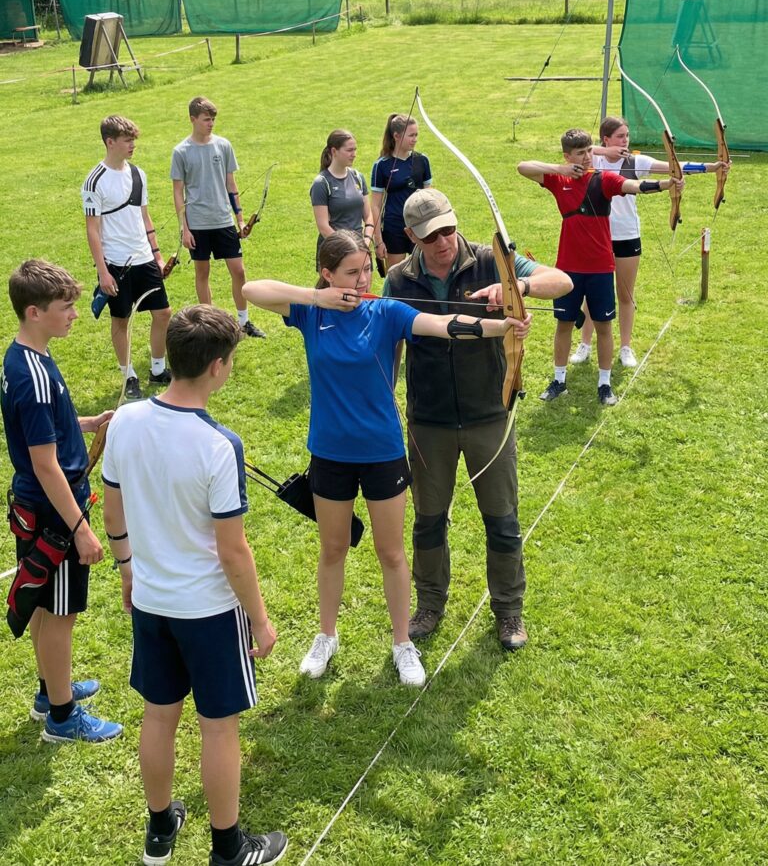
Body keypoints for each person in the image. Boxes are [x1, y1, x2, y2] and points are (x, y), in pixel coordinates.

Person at [243, 230, 527, 683]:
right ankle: (326, 636)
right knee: (333, 548)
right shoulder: (310, 314)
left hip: (382, 452)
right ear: (327, 273)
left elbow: (446, 325)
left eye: (363, 272)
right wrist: (319, 298)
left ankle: (402, 642)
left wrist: (500, 326)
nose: (359, 283)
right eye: (349, 274)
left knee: (391, 552)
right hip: (331, 453)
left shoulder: (386, 311)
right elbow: (250, 290)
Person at [102, 305, 287, 866]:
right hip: (208, 609)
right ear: (217, 367)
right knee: (218, 727)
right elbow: (232, 549)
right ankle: (229, 848)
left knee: (158, 716)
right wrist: (258, 617)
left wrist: (127, 567)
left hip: (152, 601)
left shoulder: (125, 421)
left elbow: (113, 509)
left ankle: (160, 831)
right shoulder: (218, 444)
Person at [384, 189, 573, 651]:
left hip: (491, 411)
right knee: (429, 521)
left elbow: (562, 280)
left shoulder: (493, 260)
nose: (445, 241)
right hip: (429, 419)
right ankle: (430, 605)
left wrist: (517, 288)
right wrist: (384, 402)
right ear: (411, 236)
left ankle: (509, 611)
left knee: (502, 519)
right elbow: (389, 344)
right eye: (431, 236)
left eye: (448, 228)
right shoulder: (398, 279)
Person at [1, 260, 122, 742]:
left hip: (39, 505)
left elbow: (46, 428)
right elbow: (46, 463)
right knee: (59, 613)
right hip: (55, 512)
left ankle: (48, 689)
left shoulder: (26, 355)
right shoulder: (32, 376)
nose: (75, 314)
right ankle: (61, 715)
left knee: (43, 604)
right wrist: (80, 528)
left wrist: (86, 423)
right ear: (34, 312)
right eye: (65, 307)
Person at [518, 127, 685, 406]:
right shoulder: (559, 180)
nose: (586, 158)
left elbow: (633, 186)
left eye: (588, 152)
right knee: (564, 324)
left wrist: (666, 184)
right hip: (568, 269)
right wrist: (561, 168)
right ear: (568, 156)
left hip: (600, 267)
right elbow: (522, 166)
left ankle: (605, 383)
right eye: (580, 154)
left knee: (604, 326)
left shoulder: (603, 179)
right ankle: (559, 379)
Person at [572, 115, 731, 368]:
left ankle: (625, 347)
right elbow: (578, 148)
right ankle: (585, 344)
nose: (626, 140)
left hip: (627, 236)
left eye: (627, 135)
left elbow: (675, 166)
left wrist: (712, 167)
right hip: (598, 236)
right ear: (606, 139)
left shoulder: (636, 161)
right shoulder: (594, 159)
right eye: (620, 137)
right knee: (593, 294)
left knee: (625, 295)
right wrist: (606, 150)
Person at [82, 115, 172, 401]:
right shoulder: (94, 181)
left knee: (163, 313)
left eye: (134, 139)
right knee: (121, 320)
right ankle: (128, 375)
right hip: (115, 263)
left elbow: (145, 217)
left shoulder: (138, 174)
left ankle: (157, 369)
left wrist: (156, 255)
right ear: (110, 142)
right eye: (127, 140)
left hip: (144, 258)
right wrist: (102, 272)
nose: (133, 145)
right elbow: (92, 230)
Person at [171, 96, 266, 341]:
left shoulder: (223, 146)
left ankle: (243, 321)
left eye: (213, 119)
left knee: (239, 271)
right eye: (206, 120)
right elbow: (178, 192)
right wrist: (185, 228)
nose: (211, 124)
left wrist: (240, 219)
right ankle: (210, 325)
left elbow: (231, 184)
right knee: (202, 273)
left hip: (223, 220)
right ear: (193, 119)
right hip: (198, 223)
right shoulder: (181, 151)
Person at [370, 113, 432, 270]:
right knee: (395, 275)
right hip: (394, 227)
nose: (415, 139)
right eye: (411, 135)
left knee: (424, 271)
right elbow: (375, 206)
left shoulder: (422, 160)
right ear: (396, 136)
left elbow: (429, 196)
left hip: (418, 226)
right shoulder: (382, 165)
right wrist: (378, 241)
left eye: (416, 134)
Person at [309, 129, 376, 268]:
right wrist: (347, 247)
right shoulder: (321, 183)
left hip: (360, 249)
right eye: (349, 150)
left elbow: (368, 216)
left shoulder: (358, 177)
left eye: (355, 149)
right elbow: (323, 227)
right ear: (334, 151)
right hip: (334, 251)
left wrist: (367, 240)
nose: (354, 154)